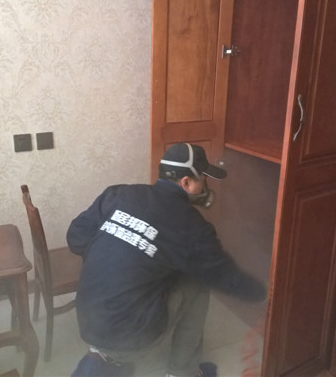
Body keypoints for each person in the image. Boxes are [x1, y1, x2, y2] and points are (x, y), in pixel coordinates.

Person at [67, 142, 266, 377]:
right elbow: (224, 277)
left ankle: (103, 353)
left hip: (87, 319)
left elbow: (75, 237)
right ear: (186, 182)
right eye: (202, 179)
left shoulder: (118, 193)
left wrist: (120, 253)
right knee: (197, 283)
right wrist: (263, 294)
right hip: (127, 337)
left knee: (156, 269)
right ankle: (182, 372)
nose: (205, 186)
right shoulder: (192, 225)